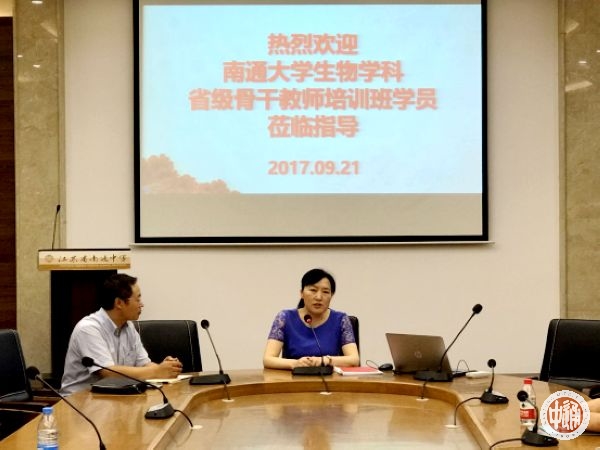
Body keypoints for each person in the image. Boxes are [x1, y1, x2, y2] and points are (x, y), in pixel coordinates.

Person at [60, 273, 183, 395]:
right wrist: (157, 371)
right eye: (138, 299)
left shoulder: (129, 327)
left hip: (114, 396)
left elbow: (144, 364)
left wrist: (166, 368)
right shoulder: (88, 329)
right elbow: (108, 373)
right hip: (78, 401)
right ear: (119, 303)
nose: (141, 304)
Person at [263, 268, 359, 370]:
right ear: (301, 293)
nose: (319, 297)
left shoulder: (341, 320)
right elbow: (268, 359)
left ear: (332, 295)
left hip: (329, 378)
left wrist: (324, 360)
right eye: (313, 290)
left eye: (325, 292)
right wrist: (296, 363)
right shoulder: (285, 318)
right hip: (293, 377)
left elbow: (354, 360)